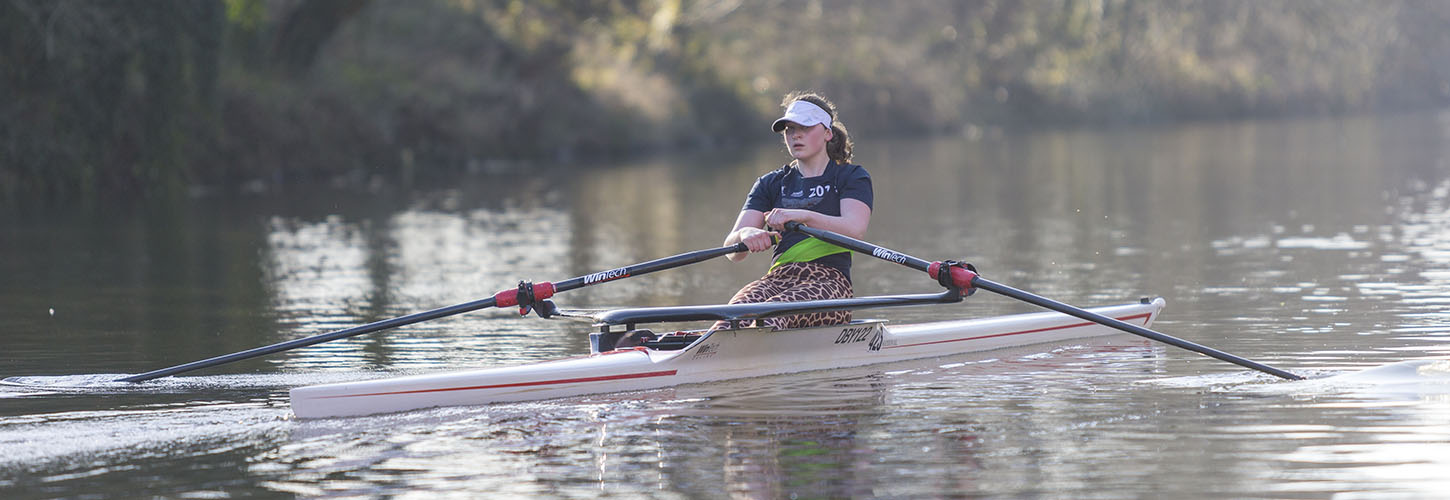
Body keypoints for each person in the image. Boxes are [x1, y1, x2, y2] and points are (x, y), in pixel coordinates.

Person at [719, 91, 872, 330]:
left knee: (769, 317)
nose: (795, 135)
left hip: (831, 283)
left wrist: (803, 216)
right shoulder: (770, 183)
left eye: (805, 127)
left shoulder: (850, 176)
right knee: (731, 318)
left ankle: (754, 349)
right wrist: (746, 235)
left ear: (827, 133)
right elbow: (732, 250)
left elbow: (854, 230)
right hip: (777, 279)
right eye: (790, 129)